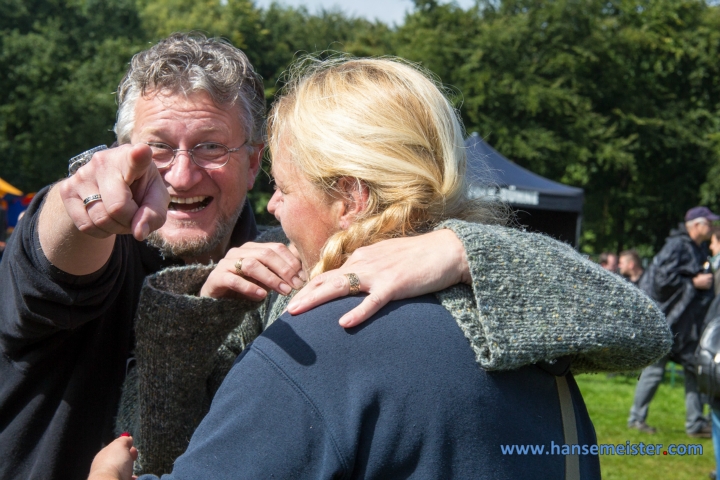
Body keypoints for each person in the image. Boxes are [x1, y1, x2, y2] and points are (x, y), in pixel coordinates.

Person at [89, 56, 669, 480]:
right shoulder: (523, 328)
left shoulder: (321, 340)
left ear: (350, 197)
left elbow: (642, 326)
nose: (274, 206)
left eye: (283, 186)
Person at [0, 34, 506, 480]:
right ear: (120, 150)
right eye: (157, 148)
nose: (181, 175)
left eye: (210, 147)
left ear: (253, 161)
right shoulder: (96, 242)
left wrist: (464, 247)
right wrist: (80, 206)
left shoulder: (299, 268)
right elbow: (52, 263)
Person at [628, 206, 717, 437]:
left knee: (692, 369)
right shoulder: (677, 245)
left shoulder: (695, 247)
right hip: (669, 321)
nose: (712, 227)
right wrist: (693, 283)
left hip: (687, 324)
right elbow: (661, 281)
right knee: (655, 371)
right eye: (709, 223)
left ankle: (695, 424)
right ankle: (636, 418)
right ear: (696, 225)